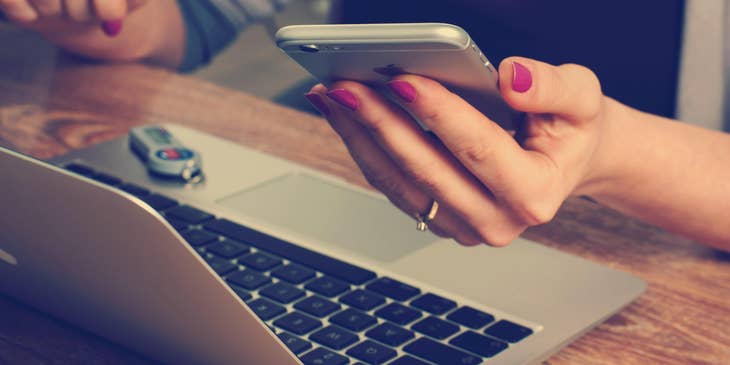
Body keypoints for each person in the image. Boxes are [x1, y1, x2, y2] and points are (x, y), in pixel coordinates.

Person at [3, 0, 729, 251]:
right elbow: (182, 18)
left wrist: (609, 152)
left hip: (657, 251)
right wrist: (104, 16)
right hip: (344, 180)